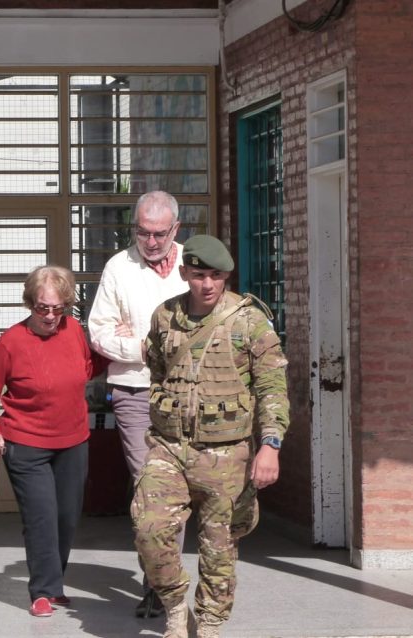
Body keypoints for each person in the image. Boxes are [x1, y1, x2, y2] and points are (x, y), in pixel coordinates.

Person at [132, 235, 290, 638]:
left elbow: (272, 387)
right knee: (149, 528)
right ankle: (174, 606)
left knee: (218, 546)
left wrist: (270, 445)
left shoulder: (249, 321)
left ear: (226, 277)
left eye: (216, 276)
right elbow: (158, 372)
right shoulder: (165, 316)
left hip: (227, 452)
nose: (207, 284)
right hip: (169, 447)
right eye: (199, 275)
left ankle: (210, 624)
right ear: (184, 273)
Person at [0, 265, 106, 618]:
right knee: (41, 518)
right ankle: (43, 591)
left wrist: (113, 345)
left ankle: (54, 582)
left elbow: (87, 367)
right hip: (26, 442)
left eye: (57, 308)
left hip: (73, 440)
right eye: (42, 308)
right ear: (29, 303)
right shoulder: (11, 342)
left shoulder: (74, 330)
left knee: (66, 518)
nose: (50, 316)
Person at [87, 189, 188, 618]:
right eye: (142, 232)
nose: (150, 241)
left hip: (188, 392)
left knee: (178, 488)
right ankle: (158, 585)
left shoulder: (193, 266)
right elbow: (99, 333)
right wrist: (145, 347)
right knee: (151, 489)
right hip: (134, 391)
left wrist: (138, 337)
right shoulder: (118, 267)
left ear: (176, 229)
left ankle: (167, 583)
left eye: (159, 234)